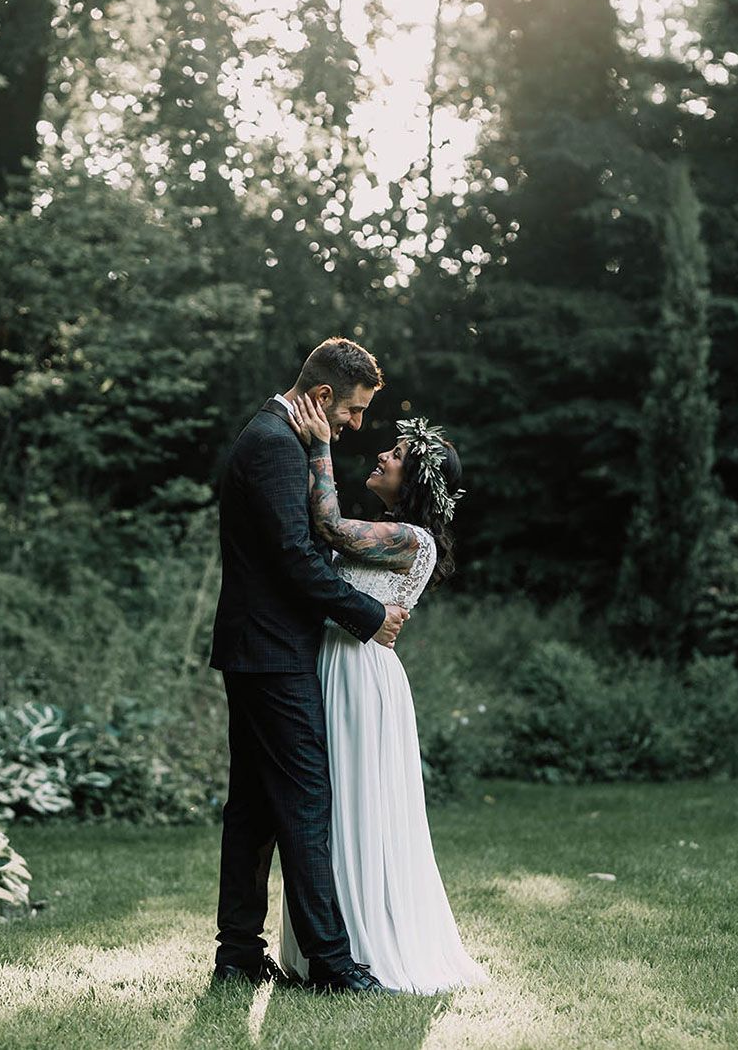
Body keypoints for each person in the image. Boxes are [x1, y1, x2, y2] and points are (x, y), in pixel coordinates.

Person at [209, 337, 408, 996]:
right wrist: (366, 615)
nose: (354, 426)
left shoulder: (277, 437)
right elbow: (294, 559)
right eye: (352, 411)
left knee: (258, 806)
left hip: (259, 648)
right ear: (323, 397)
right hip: (268, 652)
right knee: (303, 801)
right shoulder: (272, 444)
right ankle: (331, 963)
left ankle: (238, 953)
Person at [278, 392, 488, 995]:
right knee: (328, 806)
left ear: (416, 482)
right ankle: (326, 945)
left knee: (354, 805)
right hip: (333, 665)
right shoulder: (397, 532)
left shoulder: (412, 539)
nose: (382, 455)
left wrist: (319, 448)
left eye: (394, 455)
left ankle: (362, 947)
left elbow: (329, 527)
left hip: (361, 677)